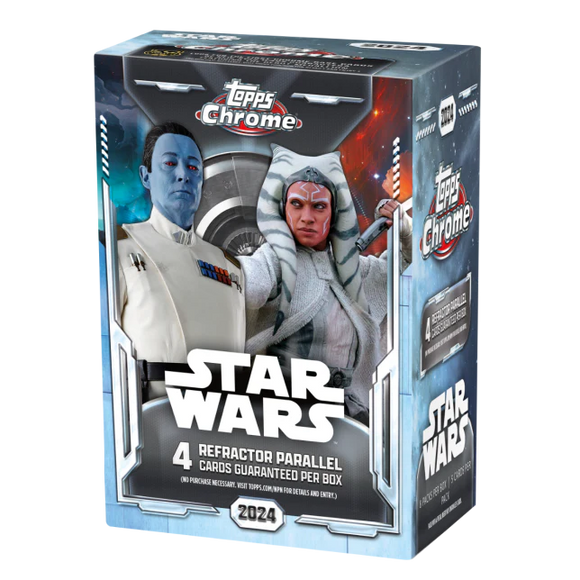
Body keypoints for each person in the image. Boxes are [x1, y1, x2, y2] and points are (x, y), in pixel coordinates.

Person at [239, 146, 412, 425]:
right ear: (283, 209)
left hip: (348, 411)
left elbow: (410, 266)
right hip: (284, 408)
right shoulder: (274, 259)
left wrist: (405, 228)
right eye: (297, 204)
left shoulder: (356, 270)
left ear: (334, 213)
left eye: (318, 206)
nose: (307, 217)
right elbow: (246, 282)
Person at [117, 122, 246, 401]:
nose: (182, 175)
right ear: (146, 176)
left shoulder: (230, 266)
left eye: (192, 167)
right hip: (151, 414)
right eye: (169, 163)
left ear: (201, 180)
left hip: (224, 416)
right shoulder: (120, 248)